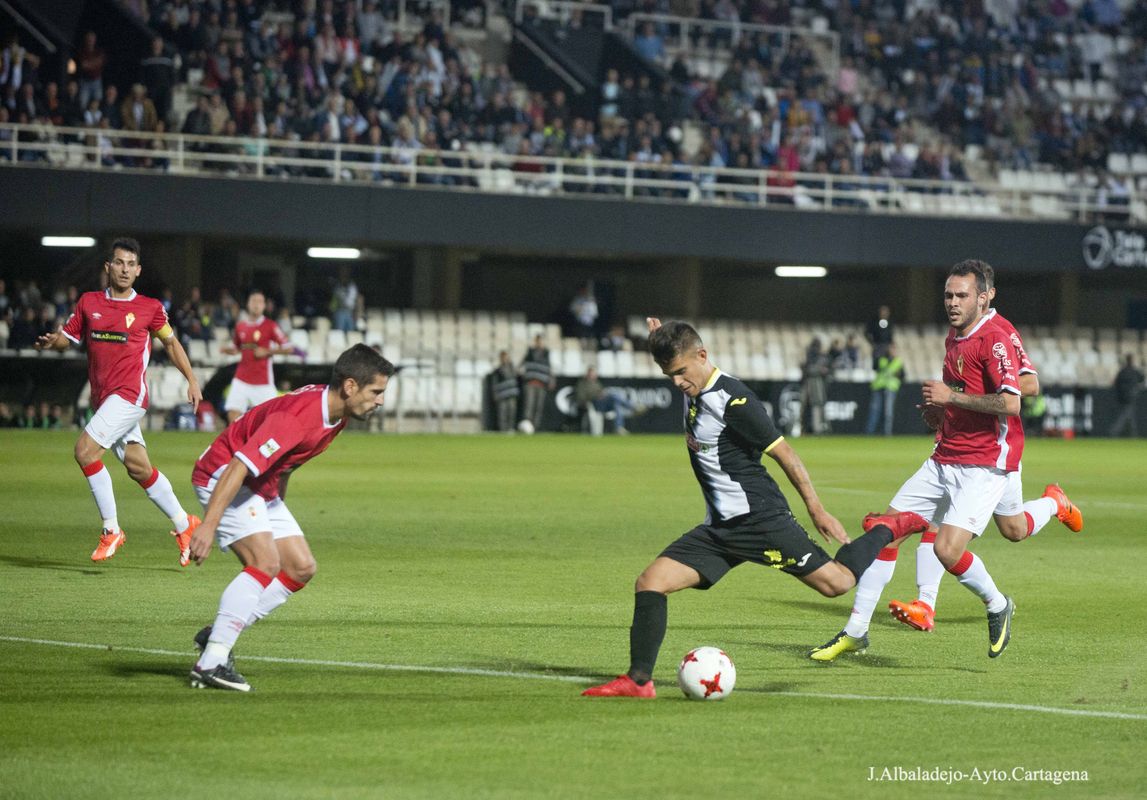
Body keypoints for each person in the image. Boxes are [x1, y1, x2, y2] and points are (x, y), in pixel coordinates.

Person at [581, 319, 928, 698]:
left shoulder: (735, 400)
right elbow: (676, 351)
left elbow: (786, 453)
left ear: (702, 356)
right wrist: (659, 336)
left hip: (761, 520)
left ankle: (887, 528)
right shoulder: (692, 383)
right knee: (651, 583)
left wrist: (816, 508)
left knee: (839, 583)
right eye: (669, 374)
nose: (677, 382)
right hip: (719, 530)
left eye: (680, 372)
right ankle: (639, 680)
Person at [809, 260, 1038, 663]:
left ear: (983, 298)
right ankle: (855, 631)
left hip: (985, 462)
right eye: (948, 295)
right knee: (887, 530)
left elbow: (1013, 401)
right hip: (945, 454)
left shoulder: (996, 338)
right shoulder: (955, 335)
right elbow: (958, 390)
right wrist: (941, 412)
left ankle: (998, 604)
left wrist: (952, 399)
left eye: (961, 295)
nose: (952, 302)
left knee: (953, 550)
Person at [187, 344, 395, 691]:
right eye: (376, 391)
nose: (380, 401)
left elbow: (289, 460)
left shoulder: (337, 414)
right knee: (264, 562)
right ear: (350, 387)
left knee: (300, 567)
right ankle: (211, 663)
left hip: (259, 485)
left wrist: (275, 500)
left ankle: (218, 635)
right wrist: (208, 524)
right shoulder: (297, 419)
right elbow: (239, 464)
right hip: (223, 476)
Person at [34, 237, 204, 565]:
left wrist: (192, 379)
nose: (124, 270)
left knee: (84, 451)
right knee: (139, 468)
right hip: (104, 400)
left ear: (138, 271)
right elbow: (66, 340)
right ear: (108, 267)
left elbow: (171, 344)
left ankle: (111, 530)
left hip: (129, 396)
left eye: (131, 265)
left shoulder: (150, 308)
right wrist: (52, 342)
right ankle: (185, 524)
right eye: (119, 263)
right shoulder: (88, 303)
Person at [221, 290, 292, 425]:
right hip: (241, 378)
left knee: (271, 419)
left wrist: (267, 351)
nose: (256, 305)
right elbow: (237, 348)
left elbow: (288, 347)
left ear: (264, 306)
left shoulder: (270, 325)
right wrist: (228, 350)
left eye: (260, 302)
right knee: (233, 413)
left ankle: (264, 443)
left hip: (263, 381)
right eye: (254, 301)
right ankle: (239, 443)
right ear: (248, 304)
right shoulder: (240, 326)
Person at [574, 366, 638, 435]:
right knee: (614, 396)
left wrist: (602, 395)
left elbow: (601, 392)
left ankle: (619, 427)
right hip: (593, 404)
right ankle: (632, 407)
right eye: (591, 374)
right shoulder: (582, 384)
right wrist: (594, 398)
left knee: (616, 404)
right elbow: (581, 397)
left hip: (603, 403)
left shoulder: (597, 383)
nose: (592, 375)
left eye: (593, 374)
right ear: (587, 374)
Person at [864, 342, 904, 435]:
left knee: (888, 412)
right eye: (891, 349)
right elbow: (875, 367)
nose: (893, 351)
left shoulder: (898, 361)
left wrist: (897, 374)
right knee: (874, 411)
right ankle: (869, 433)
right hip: (879, 386)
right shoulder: (882, 359)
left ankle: (886, 433)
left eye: (894, 349)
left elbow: (902, 375)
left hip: (890, 388)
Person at [520, 334, 554, 433]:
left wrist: (551, 379)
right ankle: (526, 427)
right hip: (530, 382)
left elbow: (549, 367)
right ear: (535, 341)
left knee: (538, 407)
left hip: (541, 383)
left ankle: (535, 427)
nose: (539, 343)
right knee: (529, 405)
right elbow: (522, 363)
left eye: (541, 341)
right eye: (538, 341)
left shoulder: (546, 353)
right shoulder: (530, 352)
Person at [799, 338, 830, 435]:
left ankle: (813, 428)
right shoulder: (818, 357)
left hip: (811, 384)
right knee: (813, 405)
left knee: (811, 406)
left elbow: (807, 369)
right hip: (812, 384)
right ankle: (814, 428)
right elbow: (810, 369)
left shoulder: (814, 356)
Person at [1109, 354, 1144, 437]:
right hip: (1131, 395)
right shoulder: (1134, 371)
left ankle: (1133, 433)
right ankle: (1114, 431)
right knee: (1126, 414)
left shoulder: (1122, 371)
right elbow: (1142, 378)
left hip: (1122, 396)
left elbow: (1115, 382)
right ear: (1132, 360)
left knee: (1130, 414)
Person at [490, 350, 519, 432]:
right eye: (503, 357)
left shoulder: (512, 368)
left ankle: (510, 428)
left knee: (511, 413)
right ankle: (503, 429)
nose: (504, 359)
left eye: (506, 357)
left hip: (511, 395)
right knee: (502, 413)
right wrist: (495, 394)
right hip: (502, 396)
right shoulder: (497, 371)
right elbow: (494, 384)